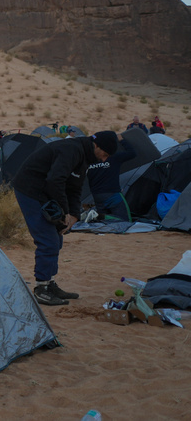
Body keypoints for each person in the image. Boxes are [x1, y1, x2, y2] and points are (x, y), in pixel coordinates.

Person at [12, 130, 118, 306]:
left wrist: (74, 215)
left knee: (57, 237)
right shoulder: (71, 150)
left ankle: (49, 282)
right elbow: (56, 180)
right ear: (96, 145)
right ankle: (41, 289)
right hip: (30, 190)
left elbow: (75, 189)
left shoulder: (84, 158)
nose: (104, 159)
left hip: (46, 192)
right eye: (105, 154)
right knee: (48, 240)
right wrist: (64, 211)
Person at [86, 137, 136, 221]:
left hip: (97, 196)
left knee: (104, 223)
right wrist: (122, 140)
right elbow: (132, 153)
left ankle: (98, 216)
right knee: (126, 220)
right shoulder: (114, 158)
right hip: (112, 194)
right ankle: (98, 216)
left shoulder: (88, 161)